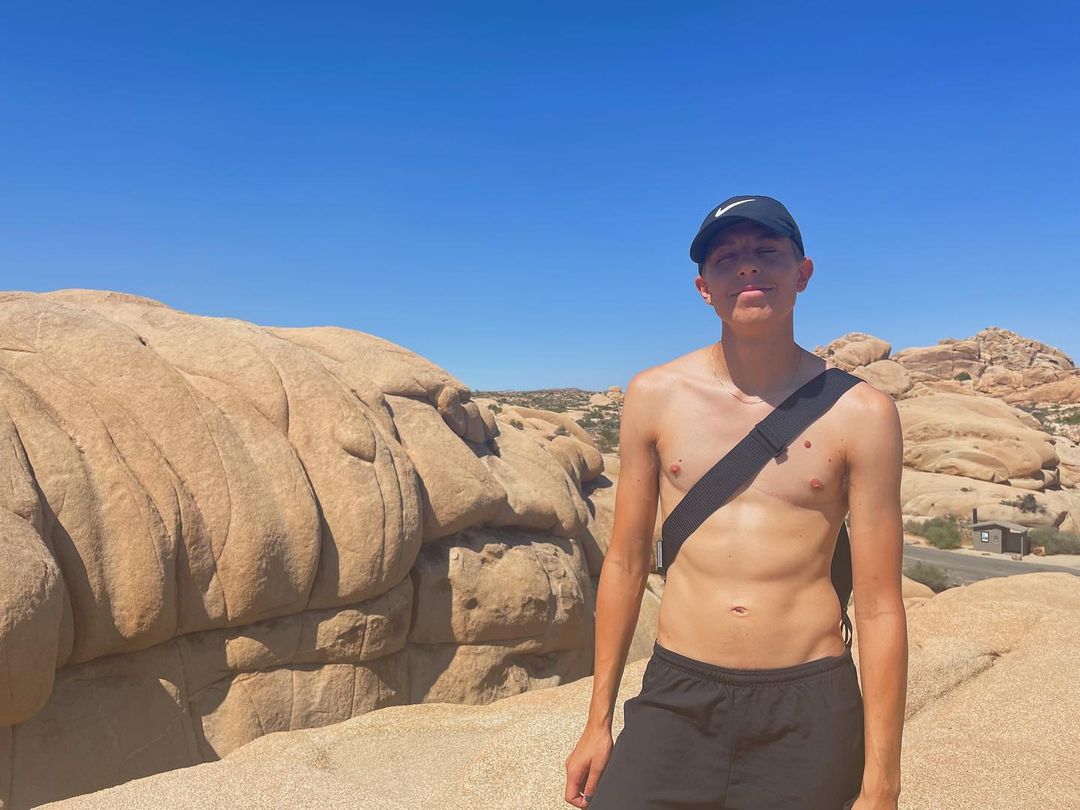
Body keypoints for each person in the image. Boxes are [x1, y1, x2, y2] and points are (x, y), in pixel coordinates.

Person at [564, 196, 908, 809]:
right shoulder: (654, 395)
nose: (748, 267)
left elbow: (881, 605)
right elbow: (625, 561)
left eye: (767, 251)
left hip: (807, 701)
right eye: (726, 258)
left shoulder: (863, 413)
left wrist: (883, 782)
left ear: (802, 273)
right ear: (704, 287)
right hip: (678, 691)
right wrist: (597, 722)